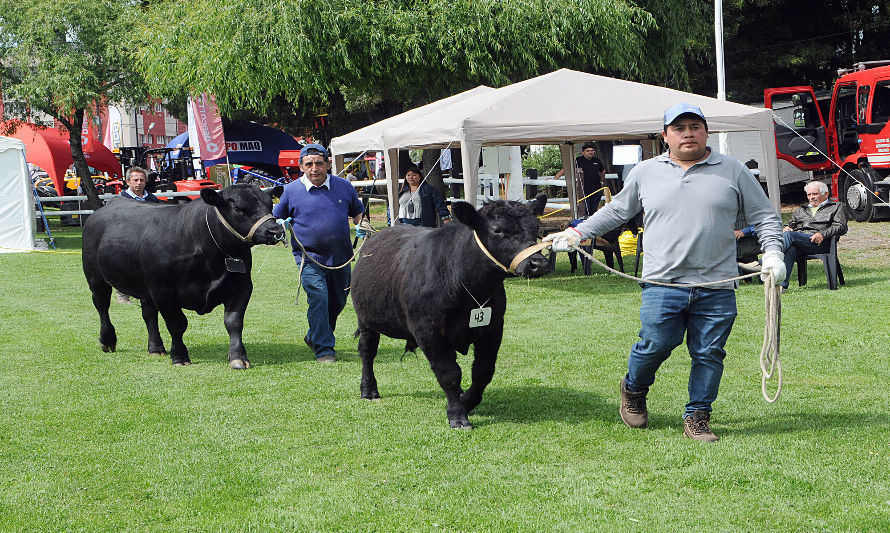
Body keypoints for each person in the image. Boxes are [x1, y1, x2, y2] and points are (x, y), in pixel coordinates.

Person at [544, 103, 786, 442]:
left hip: (716, 285)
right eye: (679, 128)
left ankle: (698, 416)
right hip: (661, 283)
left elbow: (766, 217)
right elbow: (616, 211)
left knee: (709, 353)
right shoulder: (645, 172)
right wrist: (577, 233)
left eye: (695, 126)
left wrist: (773, 251)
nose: (688, 133)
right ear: (665, 136)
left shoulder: (732, 171)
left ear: (706, 132)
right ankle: (633, 389)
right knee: (655, 344)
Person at [273, 144, 364, 363]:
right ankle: (324, 349)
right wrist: (280, 223)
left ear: (328, 164)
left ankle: (314, 334)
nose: (314, 168)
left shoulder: (344, 186)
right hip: (308, 258)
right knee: (319, 298)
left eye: (319, 163)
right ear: (301, 166)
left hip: (342, 258)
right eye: (309, 164)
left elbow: (358, 212)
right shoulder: (291, 191)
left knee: (338, 302)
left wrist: (363, 224)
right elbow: (276, 217)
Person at [780, 180, 848, 292]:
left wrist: (823, 234)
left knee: (790, 236)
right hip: (800, 241)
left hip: (821, 243)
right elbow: (788, 224)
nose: (811, 197)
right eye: (809, 194)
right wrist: (785, 228)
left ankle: (768, 258)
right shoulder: (801, 210)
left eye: (815, 194)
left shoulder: (836, 207)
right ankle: (782, 286)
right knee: (790, 247)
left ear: (826, 194)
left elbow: (841, 226)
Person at [115, 166, 160, 304]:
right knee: (125, 266)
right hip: (128, 239)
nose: (139, 183)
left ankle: (149, 292)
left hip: (149, 239)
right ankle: (122, 293)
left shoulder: (152, 199)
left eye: (142, 180)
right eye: (135, 180)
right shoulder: (121, 199)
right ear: (128, 182)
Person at [555, 142, 607, 214]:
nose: (590, 152)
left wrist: (602, 181)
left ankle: (592, 223)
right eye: (588, 151)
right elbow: (565, 169)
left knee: (594, 209)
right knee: (585, 209)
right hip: (583, 189)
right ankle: (585, 222)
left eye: (592, 151)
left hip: (596, 189)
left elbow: (602, 171)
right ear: (583, 152)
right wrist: (555, 179)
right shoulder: (578, 161)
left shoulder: (597, 161)